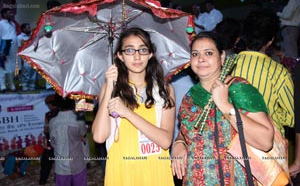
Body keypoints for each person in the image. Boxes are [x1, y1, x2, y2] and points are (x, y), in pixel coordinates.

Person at [171, 32, 274, 185]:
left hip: (234, 180)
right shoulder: (189, 98)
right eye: (195, 54)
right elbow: (187, 133)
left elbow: (265, 141)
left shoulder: (237, 89)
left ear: (222, 56)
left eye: (209, 53)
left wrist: (225, 105)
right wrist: (179, 143)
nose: (201, 59)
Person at [92, 27, 176, 186]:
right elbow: (99, 136)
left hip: (155, 170)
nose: (137, 56)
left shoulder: (165, 90)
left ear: (150, 54)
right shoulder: (110, 88)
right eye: (129, 50)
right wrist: (109, 86)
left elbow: (165, 141)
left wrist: (127, 113)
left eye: (143, 50)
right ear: (120, 55)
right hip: (121, 171)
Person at [231, 9, 294, 136]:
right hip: (268, 143)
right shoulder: (279, 72)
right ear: (271, 40)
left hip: (232, 139)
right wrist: (271, 114)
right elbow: (292, 118)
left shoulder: (226, 65)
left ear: (244, 36)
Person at [49, 94, 87, 186]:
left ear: (57, 104)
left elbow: (53, 142)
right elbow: (83, 135)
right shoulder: (79, 121)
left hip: (61, 164)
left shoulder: (53, 122)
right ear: (72, 103)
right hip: (77, 162)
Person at [39, 94, 58, 185]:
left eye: (48, 104)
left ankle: (43, 180)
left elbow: (46, 130)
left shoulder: (48, 115)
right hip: (62, 142)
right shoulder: (63, 113)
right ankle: (57, 179)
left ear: (50, 104)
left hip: (51, 141)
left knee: (46, 162)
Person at [0, 8, 18, 91]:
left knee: (12, 65)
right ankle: (2, 85)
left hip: (13, 47)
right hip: (4, 46)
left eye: (12, 12)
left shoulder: (13, 24)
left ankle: (11, 85)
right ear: (4, 14)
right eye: (9, 13)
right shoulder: (1, 23)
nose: (12, 14)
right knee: (3, 65)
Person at [17, 23, 36, 91]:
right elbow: (19, 48)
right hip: (25, 57)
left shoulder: (32, 36)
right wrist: (21, 59)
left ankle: (32, 85)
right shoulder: (19, 37)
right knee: (26, 71)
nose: (29, 29)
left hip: (33, 56)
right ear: (23, 29)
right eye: (27, 27)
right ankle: (24, 85)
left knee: (33, 71)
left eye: (29, 27)